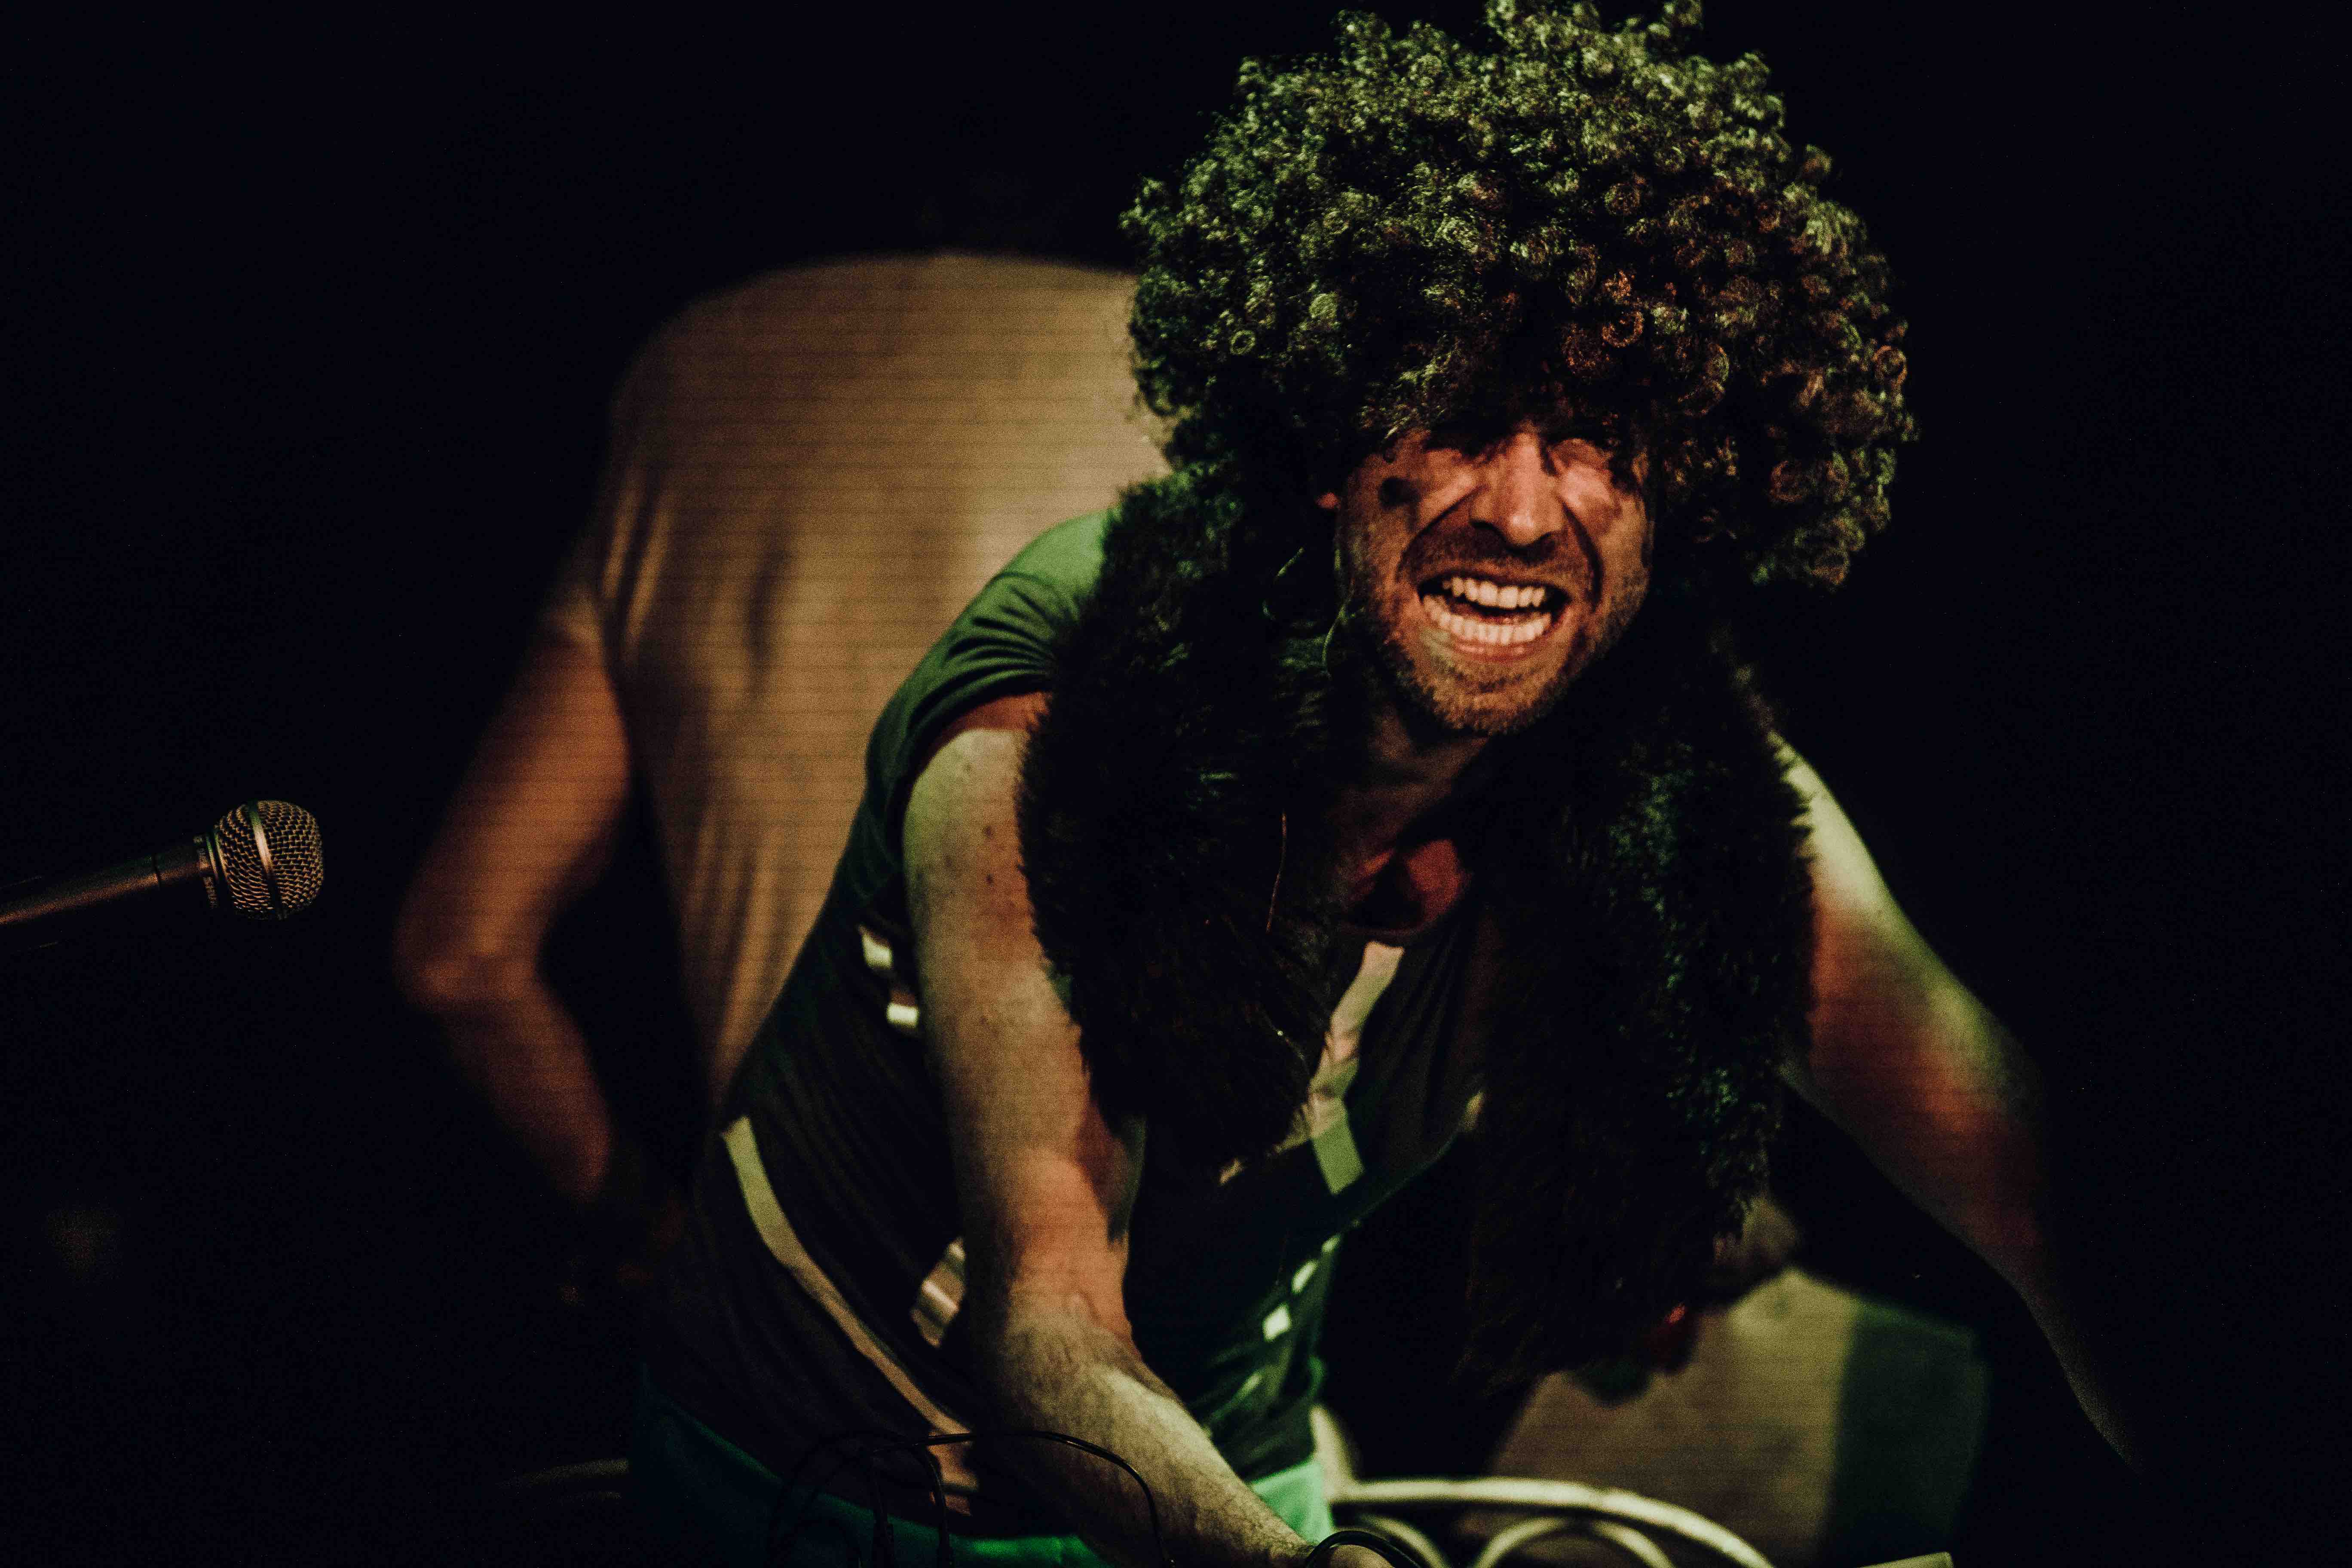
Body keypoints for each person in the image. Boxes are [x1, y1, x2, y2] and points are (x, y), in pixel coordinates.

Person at [633, 5, 2136, 1565]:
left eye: (1599, 436)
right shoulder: (1072, 711)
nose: (1523, 511)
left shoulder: (1695, 781)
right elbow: (1048, 1331)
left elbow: (2031, 1191)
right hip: (816, 1482)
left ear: (1684, 473)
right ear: (1326, 442)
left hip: (1224, 1465)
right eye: (1460, 417)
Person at [391, 254, 1165, 1269]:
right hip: (1127, 1279)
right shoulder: (1191, 364)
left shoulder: (693, 380)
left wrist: (656, 1244)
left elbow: (459, 953)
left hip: (795, 1291)